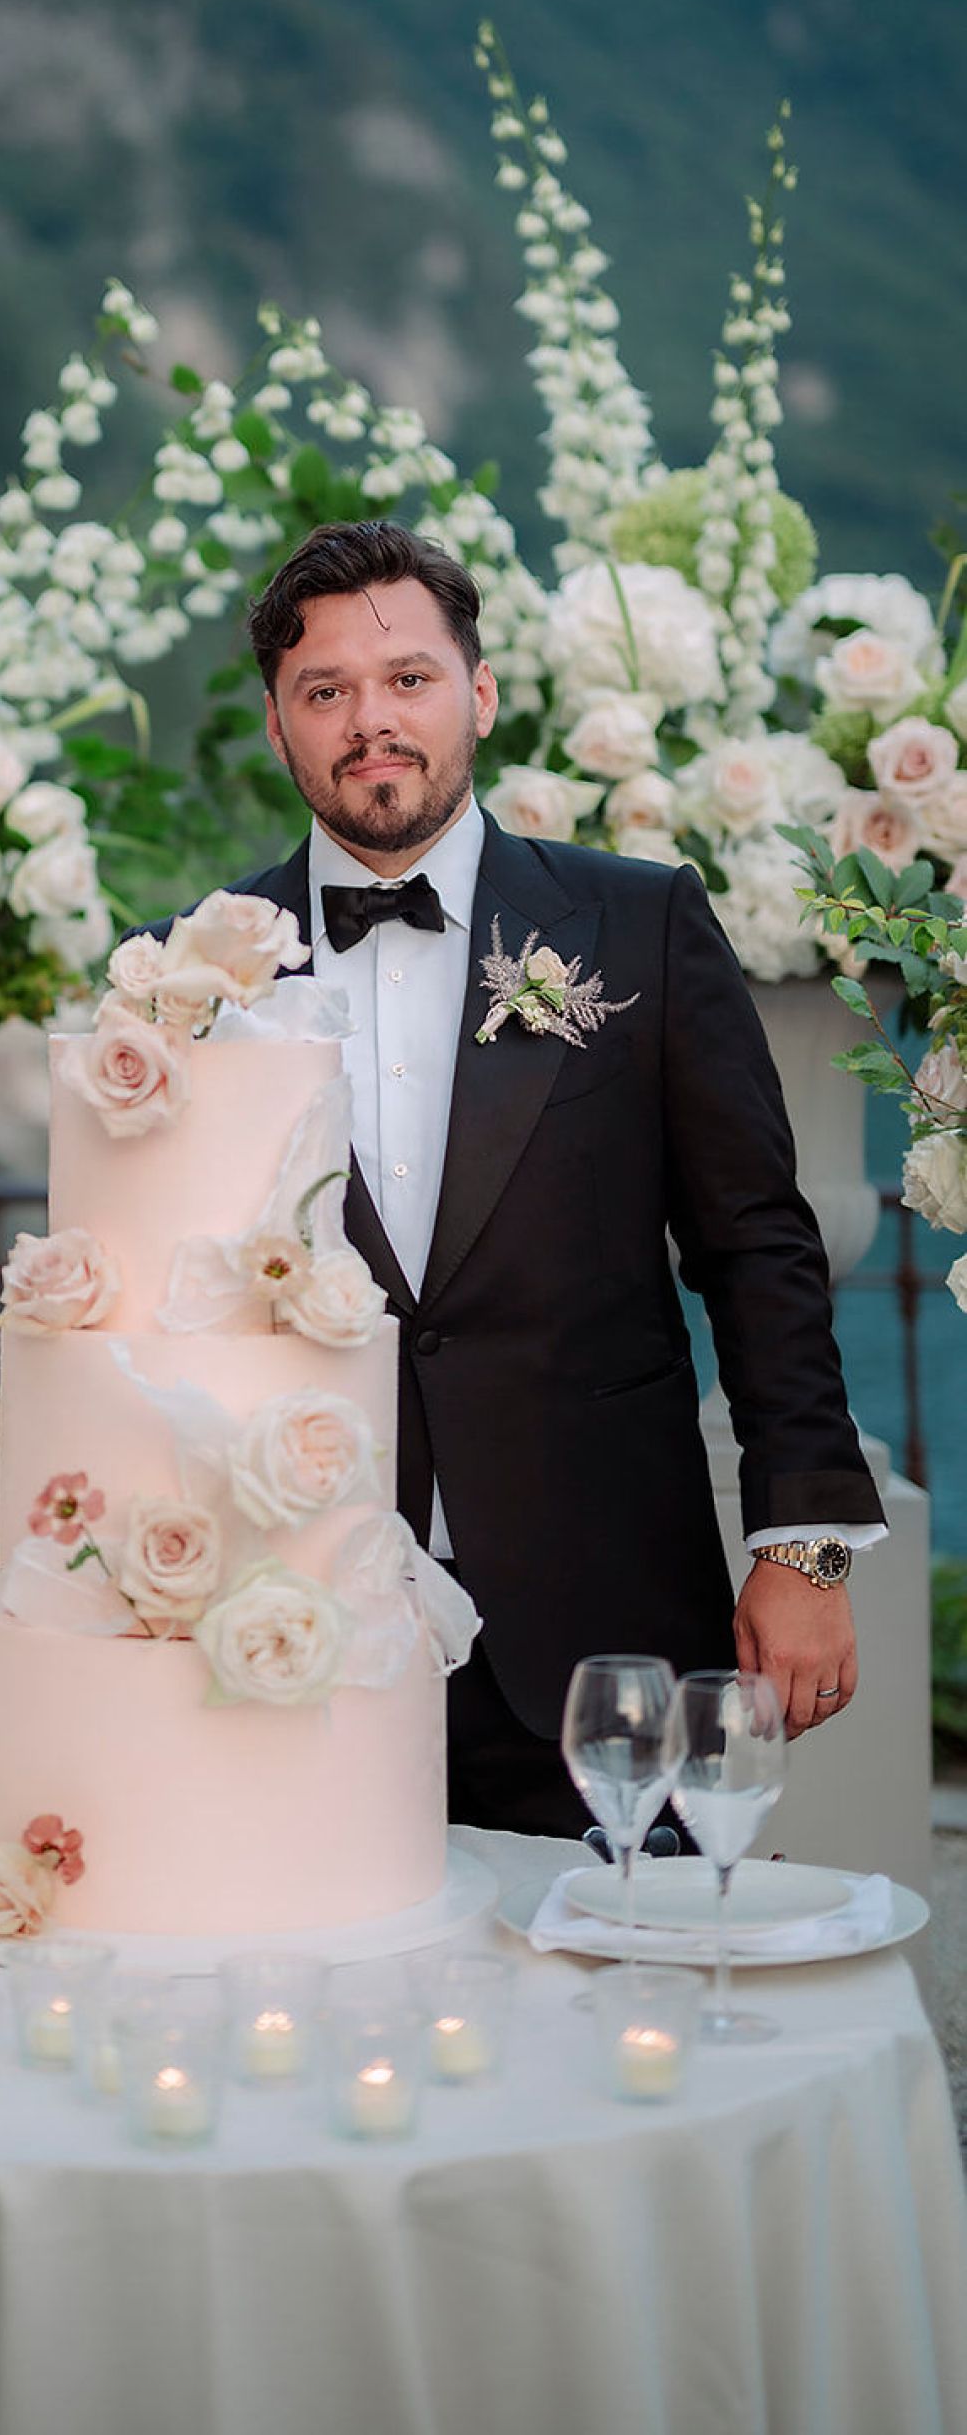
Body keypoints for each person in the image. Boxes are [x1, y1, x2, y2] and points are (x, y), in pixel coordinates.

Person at [204, 520, 885, 1837]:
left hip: (603, 1630)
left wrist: (802, 1547)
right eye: (325, 691)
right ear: (279, 729)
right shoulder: (196, 969)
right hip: (294, 1630)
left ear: (481, 693)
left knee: (631, 1962)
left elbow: (756, 1246)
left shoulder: (642, 921)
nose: (370, 720)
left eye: (408, 678)